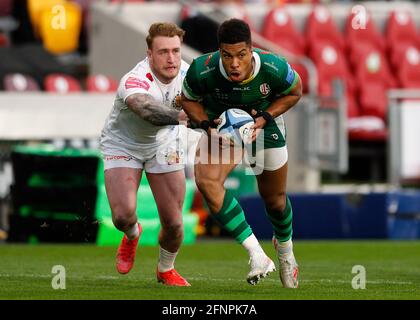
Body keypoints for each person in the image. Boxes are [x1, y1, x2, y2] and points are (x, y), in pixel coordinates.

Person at [181, 18, 302, 288]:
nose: (234, 63)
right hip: (221, 131)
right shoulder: (203, 69)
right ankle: (257, 254)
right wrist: (204, 124)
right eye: (227, 55)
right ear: (219, 52)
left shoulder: (274, 66)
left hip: (263, 126)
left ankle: (285, 250)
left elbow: (295, 92)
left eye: (241, 55)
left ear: (251, 50)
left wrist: (267, 115)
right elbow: (188, 99)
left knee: (275, 201)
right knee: (207, 183)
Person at [99, 22, 192, 287]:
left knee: (174, 223)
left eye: (175, 50)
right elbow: (147, 111)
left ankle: (166, 269)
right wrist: (184, 116)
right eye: (163, 52)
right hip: (124, 143)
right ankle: (132, 233)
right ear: (149, 53)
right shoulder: (134, 79)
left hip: (164, 144)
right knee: (122, 216)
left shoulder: (189, 74)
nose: (171, 58)